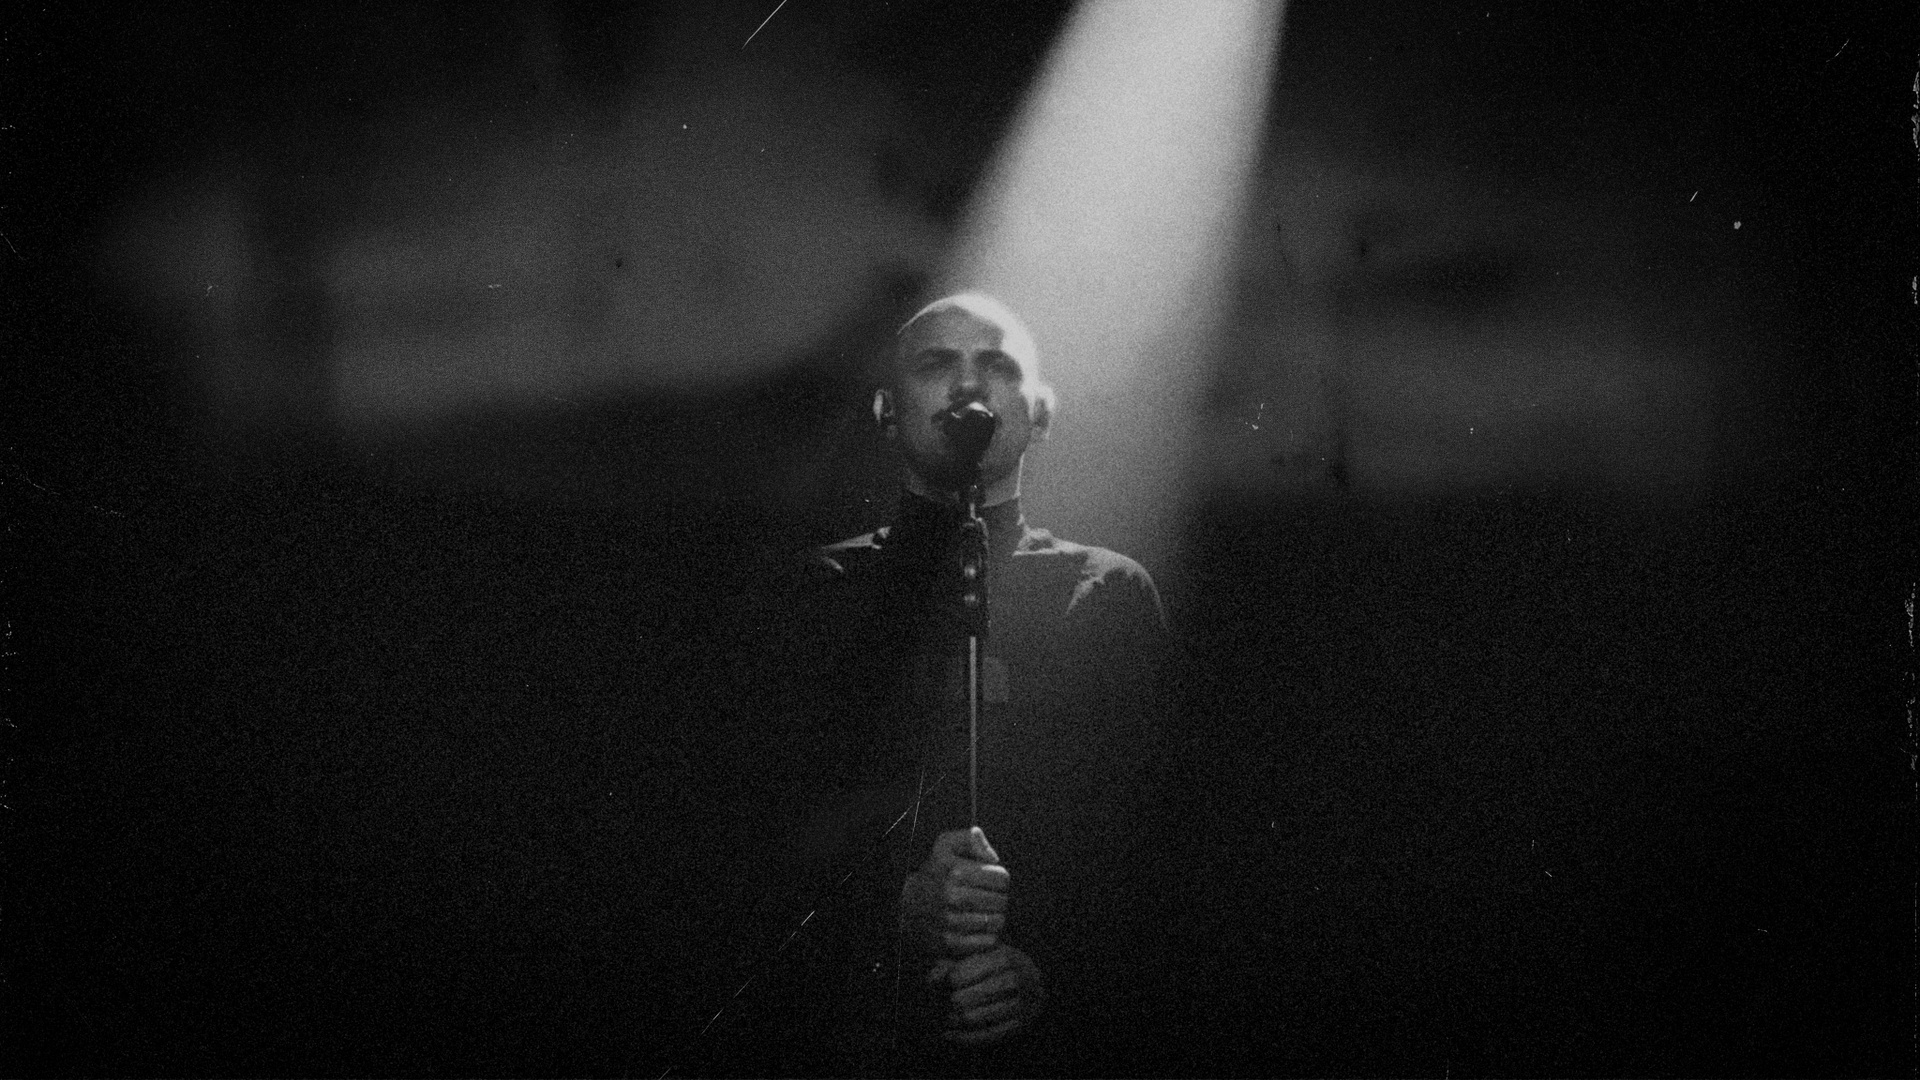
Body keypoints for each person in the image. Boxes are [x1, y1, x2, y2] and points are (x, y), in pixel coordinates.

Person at [699, 292, 1175, 1077]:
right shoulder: (814, 593)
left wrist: (1043, 969)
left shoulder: (1106, 592)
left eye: (997, 365)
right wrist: (896, 907)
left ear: (1041, 413)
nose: (968, 384)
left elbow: (1148, 842)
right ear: (887, 413)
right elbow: (749, 838)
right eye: (936, 363)